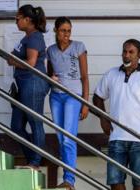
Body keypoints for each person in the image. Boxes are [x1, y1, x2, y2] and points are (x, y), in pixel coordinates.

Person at [93, 39, 140, 190]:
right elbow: (97, 97)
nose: (127, 55)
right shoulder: (111, 74)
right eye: (124, 51)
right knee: (115, 181)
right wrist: (103, 118)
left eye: (131, 52)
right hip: (116, 138)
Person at [47, 17, 90, 190]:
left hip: (73, 96)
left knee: (68, 138)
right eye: (63, 30)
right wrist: (51, 78)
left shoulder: (79, 47)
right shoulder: (50, 50)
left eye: (69, 30)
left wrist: (85, 103)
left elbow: (85, 77)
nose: (66, 34)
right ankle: (67, 178)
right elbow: (49, 74)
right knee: (60, 137)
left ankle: (69, 180)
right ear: (56, 31)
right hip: (56, 96)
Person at [7, 4, 50, 171]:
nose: (16, 21)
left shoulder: (34, 37)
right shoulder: (27, 37)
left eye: (18, 18)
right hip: (23, 84)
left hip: (33, 82)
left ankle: (35, 162)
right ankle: (31, 159)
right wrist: (13, 59)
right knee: (16, 126)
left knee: (34, 121)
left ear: (28, 20)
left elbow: (31, 63)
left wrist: (13, 61)